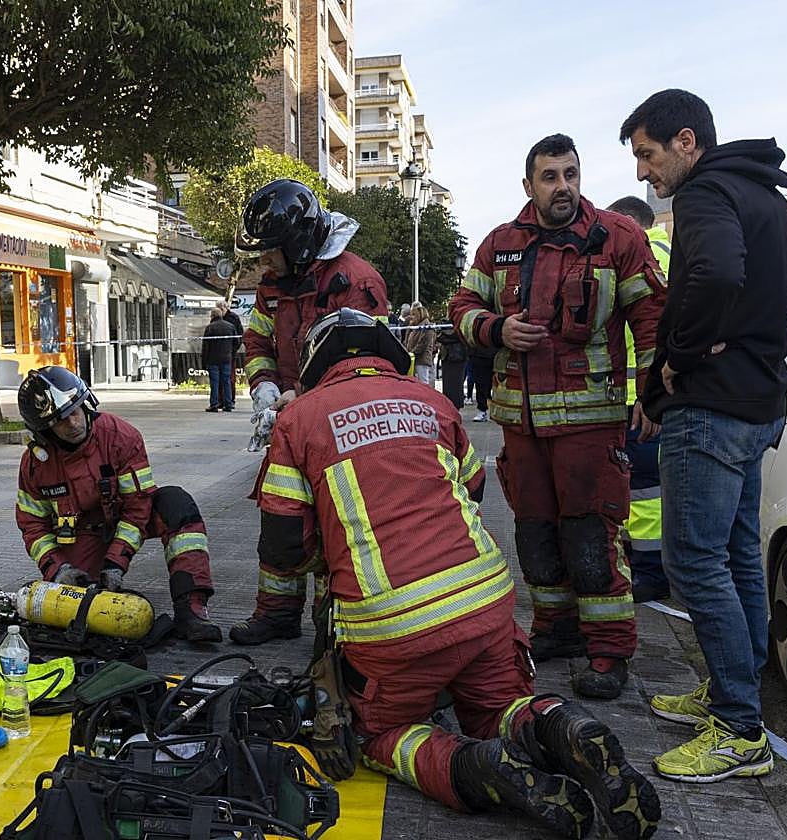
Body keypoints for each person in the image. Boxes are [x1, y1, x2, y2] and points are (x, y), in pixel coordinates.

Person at [257, 309, 661, 840]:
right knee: (498, 705)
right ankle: (565, 728)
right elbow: (471, 492)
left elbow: (283, 546)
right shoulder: (434, 403)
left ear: (316, 364)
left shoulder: (299, 418)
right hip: (484, 602)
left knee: (383, 732)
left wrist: (334, 556)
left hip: (389, 623)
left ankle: (482, 770)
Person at [620, 90, 787, 782]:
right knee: (735, 554)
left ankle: (738, 727)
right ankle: (735, 692)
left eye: (647, 155)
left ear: (685, 142)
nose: (644, 173)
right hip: (758, 403)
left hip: (710, 408)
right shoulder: (762, 193)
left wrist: (682, 353)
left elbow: (718, 274)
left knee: (693, 561)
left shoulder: (704, 196)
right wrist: (756, 332)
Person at [449, 134, 667, 700]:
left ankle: (609, 650)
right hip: (521, 427)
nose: (563, 186)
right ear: (529, 186)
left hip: (591, 423)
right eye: (550, 177)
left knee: (591, 537)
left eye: (571, 174)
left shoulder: (618, 237)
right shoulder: (499, 245)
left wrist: (652, 393)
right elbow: (462, 307)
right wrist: (496, 329)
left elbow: (651, 318)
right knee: (536, 535)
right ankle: (556, 631)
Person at [231, 178, 389, 646]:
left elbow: (365, 366)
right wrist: (263, 388)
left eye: (269, 251)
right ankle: (277, 614)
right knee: (280, 518)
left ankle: (334, 622)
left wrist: (300, 395)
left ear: (297, 243)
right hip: (290, 421)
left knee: (336, 523)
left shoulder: (355, 282)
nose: (263, 262)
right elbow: (257, 341)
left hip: (341, 431)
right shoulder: (274, 285)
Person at [15, 366, 221, 642]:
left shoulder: (120, 436)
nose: (73, 423)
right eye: (61, 420)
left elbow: (139, 506)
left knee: (177, 505)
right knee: (81, 603)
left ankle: (191, 610)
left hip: (128, 517)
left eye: (75, 410)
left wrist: (116, 562)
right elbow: (33, 526)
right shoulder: (35, 465)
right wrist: (59, 570)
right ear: (45, 431)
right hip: (81, 532)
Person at [605, 196, 672, 604]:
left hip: (639, 399)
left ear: (632, 224)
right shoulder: (670, 253)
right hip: (648, 395)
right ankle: (644, 564)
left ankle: (649, 573)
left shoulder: (643, 255)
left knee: (644, 490)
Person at [201, 309, 236, 413]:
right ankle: (228, 404)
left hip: (213, 360)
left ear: (212, 316)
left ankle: (214, 405)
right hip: (226, 358)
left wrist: (204, 361)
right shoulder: (230, 326)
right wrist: (231, 352)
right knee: (226, 382)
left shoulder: (210, 328)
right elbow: (237, 342)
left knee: (214, 383)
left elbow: (205, 346)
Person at [402, 301, 437, 386]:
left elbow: (423, 344)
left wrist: (411, 353)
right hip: (414, 359)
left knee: (423, 383)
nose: (411, 317)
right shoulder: (414, 326)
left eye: (414, 315)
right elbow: (407, 341)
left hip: (422, 360)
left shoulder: (427, 327)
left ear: (419, 315)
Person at [436, 327, 468, 410]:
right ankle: (452, 406)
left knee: (454, 386)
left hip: (456, 357)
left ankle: (453, 406)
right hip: (452, 357)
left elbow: (442, 337)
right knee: (452, 385)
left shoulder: (455, 326)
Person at [468, 344, 495, 422]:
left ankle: (492, 411)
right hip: (480, 355)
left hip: (496, 354)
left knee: (498, 385)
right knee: (480, 385)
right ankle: (482, 410)